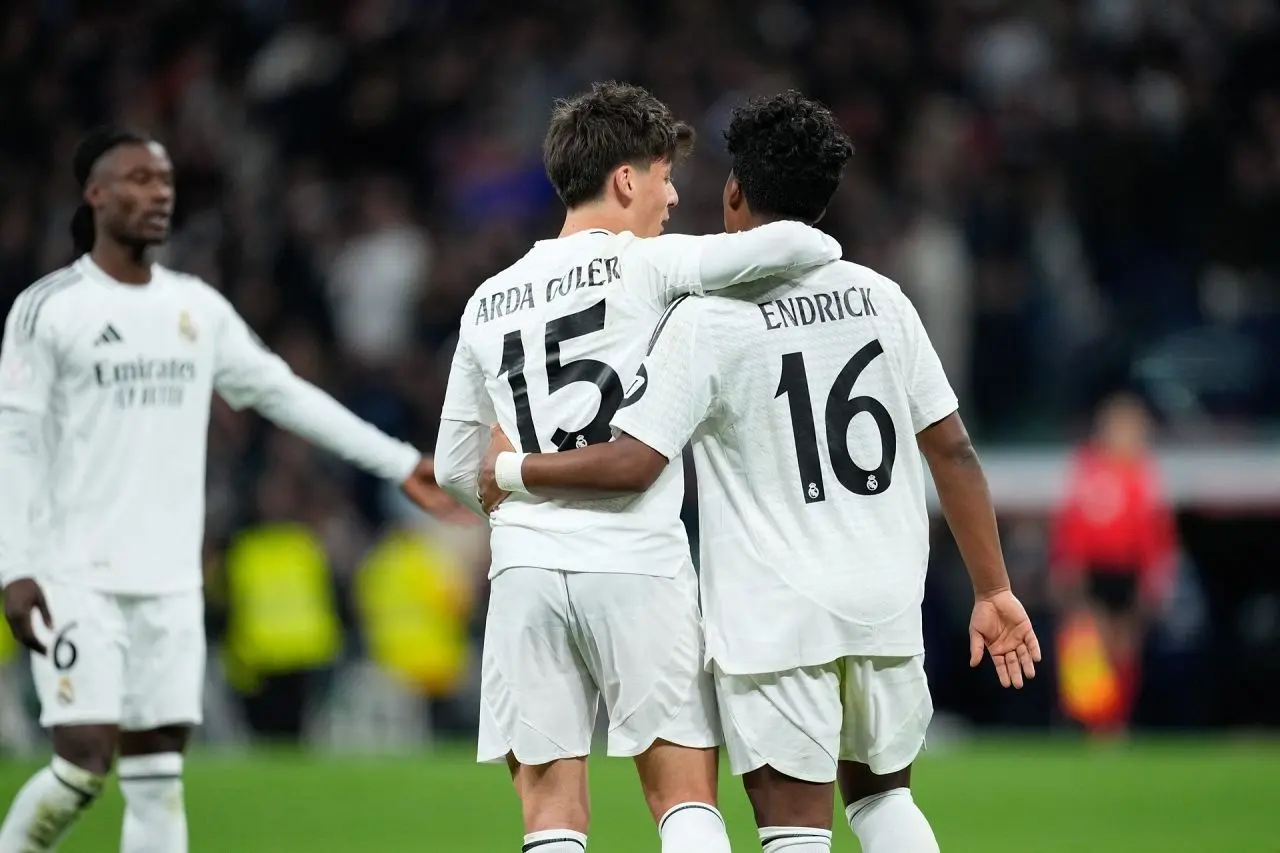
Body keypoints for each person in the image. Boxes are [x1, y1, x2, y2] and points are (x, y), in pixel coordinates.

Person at [478, 91, 1041, 853]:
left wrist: (513, 467)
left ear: (735, 192)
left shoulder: (707, 319)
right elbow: (954, 451)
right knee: (883, 801)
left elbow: (635, 459)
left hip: (777, 619)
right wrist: (994, 589)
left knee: (794, 831)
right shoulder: (882, 299)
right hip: (883, 602)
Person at [0, 126, 466, 853]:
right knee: (81, 765)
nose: (158, 193)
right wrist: (16, 565)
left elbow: (282, 392)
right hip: (76, 576)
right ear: (95, 195)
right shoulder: (50, 309)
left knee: (158, 777)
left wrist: (397, 459)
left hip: (169, 581)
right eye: (137, 179)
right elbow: (17, 442)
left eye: (164, 181)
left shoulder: (195, 309)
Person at [432, 81, 841, 853]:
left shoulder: (487, 299)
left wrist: (517, 491)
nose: (674, 195)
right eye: (663, 175)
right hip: (636, 563)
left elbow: (456, 465)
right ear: (626, 179)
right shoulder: (647, 265)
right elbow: (801, 245)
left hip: (523, 573)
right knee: (682, 797)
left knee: (550, 814)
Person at [1049, 392, 1176, 733]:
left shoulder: (1145, 474)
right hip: (1096, 571)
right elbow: (1072, 523)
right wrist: (1068, 566)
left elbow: (1156, 532)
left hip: (1129, 572)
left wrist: (1155, 577)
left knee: (1125, 648)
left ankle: (1116, 720)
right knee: (1092, 644)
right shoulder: (1088, 468)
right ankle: (1091, 717)